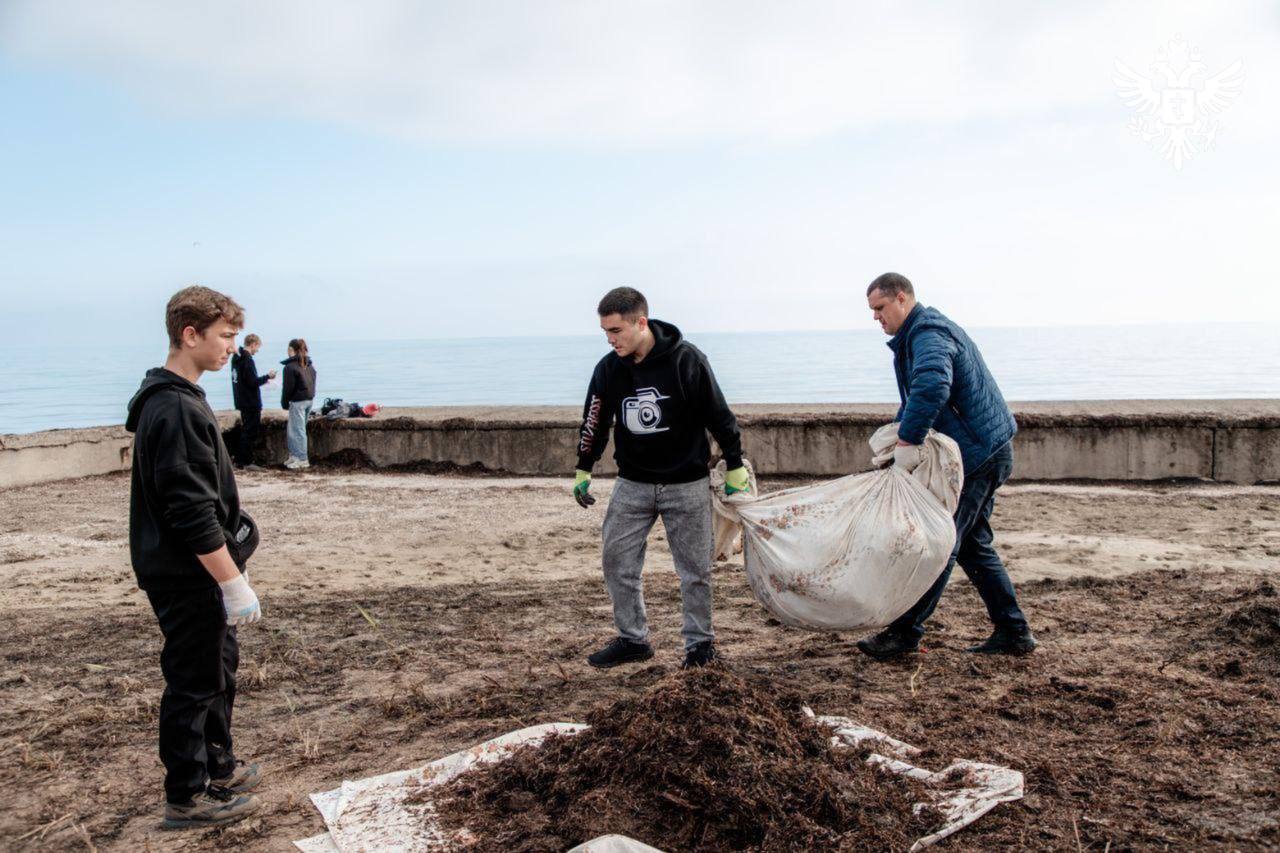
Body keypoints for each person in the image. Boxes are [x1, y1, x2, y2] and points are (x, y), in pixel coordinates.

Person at [125, 285, 265, 828]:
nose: (232, 347)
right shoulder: (173, 408)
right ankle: (186, 795)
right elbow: (189, 511)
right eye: (225, 336)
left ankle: (216, 766)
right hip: (188, 576)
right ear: (191, 334)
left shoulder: (182, 398)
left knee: (219, 670)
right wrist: (233, 585)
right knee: (194, 680)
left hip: (198, 570)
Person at [857, 272, 1037, 659]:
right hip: (986, 448)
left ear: (901, 298)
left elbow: (933, 386)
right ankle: (1013, 630)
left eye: (880, 308)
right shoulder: (917, 335)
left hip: (979, 455)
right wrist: (898, 433)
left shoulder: (929, 334)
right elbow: (915, 397)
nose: (876, 318)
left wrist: (908, 441)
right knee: (973, 545)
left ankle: (905, 633)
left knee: (943, 542)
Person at [574, 287, 751, 670]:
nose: (610, 339)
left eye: (617, 330)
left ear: (641, 322)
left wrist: (735, 463)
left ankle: (700, 646)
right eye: (605, 332)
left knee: (695, 571)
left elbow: (719, 415)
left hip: (686, 484)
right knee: (616, 561)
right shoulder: (608, 368)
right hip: (632, 484)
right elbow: (595, 419)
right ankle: (632, 639)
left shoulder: (687, 360)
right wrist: (583, 467)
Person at [230, 333, 275, 470]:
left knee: (246, 430)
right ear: (253, 344)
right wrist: (268, 376)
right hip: (250, 402)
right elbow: (252, 382)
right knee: (250, 432)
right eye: (257, 347)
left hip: (241, 400)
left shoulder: (236, 358)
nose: (257, 350)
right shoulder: (247, 360)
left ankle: (239, 460)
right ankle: (246, 462)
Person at [280, 338, 316, 470]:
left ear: (291, 350)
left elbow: (287, 388)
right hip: (309, 400)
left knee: (297, 430)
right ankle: (294, 456)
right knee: (295, 430)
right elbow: (313, 381)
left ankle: (302, 459)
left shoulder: (290, 367)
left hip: (298, 401)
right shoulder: (309, 364)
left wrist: (284, 402)